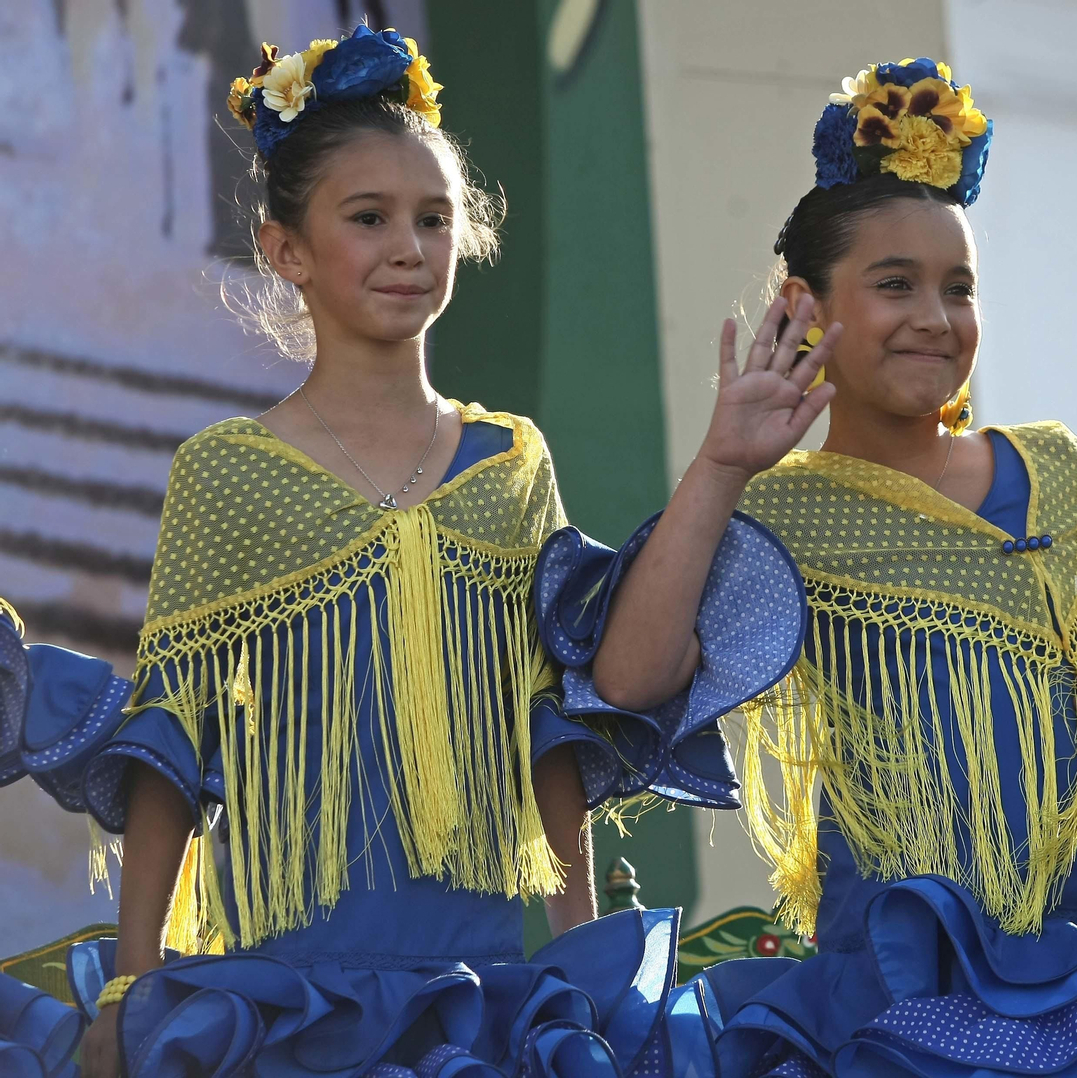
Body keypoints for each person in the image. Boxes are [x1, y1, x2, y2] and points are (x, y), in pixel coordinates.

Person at [0, 27, 822, 1078]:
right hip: (286, 997)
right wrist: (132, 977)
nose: (409, 246)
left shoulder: (510, 461)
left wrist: (575, 968)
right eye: (369, 218)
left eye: (434, 218)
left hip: (470, 1000)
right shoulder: (226, 472)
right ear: (284, 249)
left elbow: (553, 732)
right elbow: (172, 742)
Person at [577, 59, 1077, 1078]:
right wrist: (720, 464)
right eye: (896, 285)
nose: (935, 316)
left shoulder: (1053, 473)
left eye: (958, 289)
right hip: (885, 993)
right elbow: (629, 679)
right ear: (805, 306)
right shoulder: (774, 509)